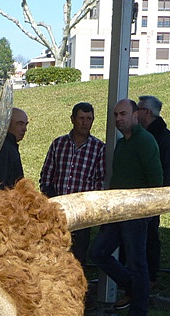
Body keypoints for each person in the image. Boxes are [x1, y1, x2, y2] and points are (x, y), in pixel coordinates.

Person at [89, 99, 163, 316]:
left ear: (136, 115)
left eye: (123, 114)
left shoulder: (145, 141)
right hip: (117, 212)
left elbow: (156, 179)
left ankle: (138, 314)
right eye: (115, 115)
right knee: (99, 252)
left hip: (136, 213)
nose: (118, 119)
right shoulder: (122, 144)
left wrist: (148, 210)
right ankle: (134, 290)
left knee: (136, 262)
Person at [39, 101, 105, 269]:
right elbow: (47, 174)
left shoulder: (98, 148)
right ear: (73, 119)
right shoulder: (58, 144)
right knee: (55, 251)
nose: (85, 123)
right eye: (81, 118)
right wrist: (50, 198)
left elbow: (100, 180)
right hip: (58, 210)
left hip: (82, 212)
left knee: (78, 256)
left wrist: (89, 205)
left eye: (89, 119)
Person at [136, 95, 170, 289]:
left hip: (152, 197)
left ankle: (150, 278)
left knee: (149, 236)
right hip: (145, 196)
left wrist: (158, 196)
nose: (136, 112)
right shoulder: (153, 135)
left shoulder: (161, 138)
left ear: (147, 112)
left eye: (139, 108)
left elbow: (165, 172)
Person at [0, 107, 28, 190]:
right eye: (20, 124)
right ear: (7, 124)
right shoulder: (3, 148)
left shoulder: (9, 145)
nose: (25, 129)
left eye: (26, 124)